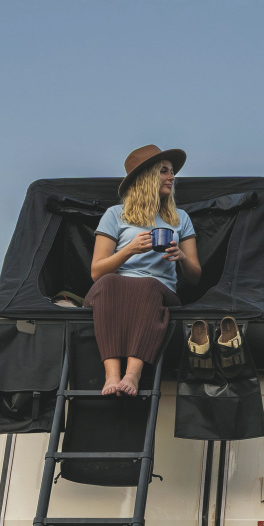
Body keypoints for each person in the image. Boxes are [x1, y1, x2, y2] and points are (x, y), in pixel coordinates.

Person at [89, 144, 203, 396]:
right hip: (116, 291)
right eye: (164, 171)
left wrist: (182, 257)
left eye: (172, 172)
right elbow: (96, 272)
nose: (171, 177)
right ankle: (112, 375)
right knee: (107, 283)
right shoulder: (115, 215)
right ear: (145, 178)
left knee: (148, 285)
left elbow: (195, 276)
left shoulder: (180, 218)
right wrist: (129, 250)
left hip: (159, 291)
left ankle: (133, 374)